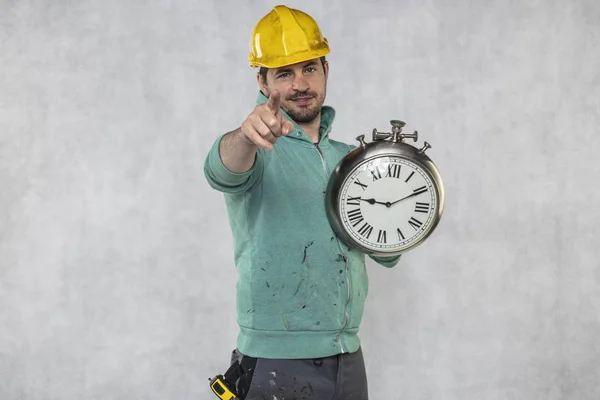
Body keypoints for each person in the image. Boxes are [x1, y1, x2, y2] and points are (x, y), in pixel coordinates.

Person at [204, 5, 401, 399]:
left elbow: (388, 251)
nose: (299, 83)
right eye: (283, 73)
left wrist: (402, 200)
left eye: (309, 68)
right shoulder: (259, 148)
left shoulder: (352, 158)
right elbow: (222, 170)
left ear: (326, 70)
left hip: (347, 355)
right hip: (278, 361)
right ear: (262, 82)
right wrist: (245, 135)